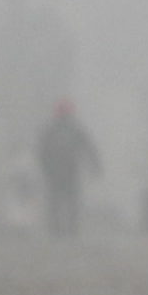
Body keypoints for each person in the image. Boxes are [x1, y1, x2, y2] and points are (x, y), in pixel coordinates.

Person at [37, 99, 102, 238]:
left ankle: (57, 230)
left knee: (56, 201)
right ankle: (70, 230)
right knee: (70, 201)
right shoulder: (75, 129)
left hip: (56, 172)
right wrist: (95, 166)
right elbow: (89, 148)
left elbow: (41, 152)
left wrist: (45, 169)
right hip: (69, 171)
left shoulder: (50, 129)